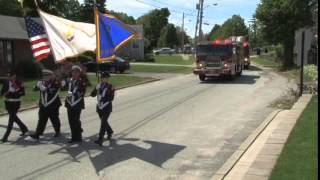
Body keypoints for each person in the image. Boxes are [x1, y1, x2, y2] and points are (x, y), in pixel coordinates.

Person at [28, 70, 62, 141]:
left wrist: (44, 88)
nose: (45, 77)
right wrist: (37, 86)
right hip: (43, 104)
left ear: (51, 76)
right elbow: (34, 89)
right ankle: (37, 134)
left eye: (47, 76)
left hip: (53, 104)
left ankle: (57, 131)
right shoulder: (42, 83)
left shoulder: (55, 82)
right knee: (41, 119)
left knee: (54, 119)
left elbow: (51, 91)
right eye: (44, 76)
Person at [0, 70, 28, 143]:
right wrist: (7, 92)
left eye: (10, 76)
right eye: (8, 76)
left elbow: (23, 93)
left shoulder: (19, 83)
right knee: (14, 118)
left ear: (14, 76)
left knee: (11, 119)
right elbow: (2, 91)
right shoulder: (6, 82)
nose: (8, 78)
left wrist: (16, 92)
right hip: (8, 103)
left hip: (15, 103)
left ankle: (5, 137)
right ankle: (24, 129)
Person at [62, 65, 86, 143]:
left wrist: (73, 94)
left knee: (76, 120)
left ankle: (78, 137)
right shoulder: (69, 81)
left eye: (76, 72)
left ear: (79, 73)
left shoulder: (82, 82)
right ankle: (73, 137)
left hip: (77, 103)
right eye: (73, 72)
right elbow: (63, 89)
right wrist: (62, 84)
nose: (74, 73)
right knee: (71, 121)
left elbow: (82, 93)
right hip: (69, 103)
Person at [91, 72, 115, 146]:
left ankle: (100, 139)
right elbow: (92, 95)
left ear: (107, 79)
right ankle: (110, 131)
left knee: (103, 123)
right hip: (99, 107)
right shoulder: (98, 85)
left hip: (107, 107)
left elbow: (111, 98)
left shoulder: (111, 86)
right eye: (102, 78)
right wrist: (96, 89)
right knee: (104, 122)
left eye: (105, 78)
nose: (103, 79)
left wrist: (103, 97)